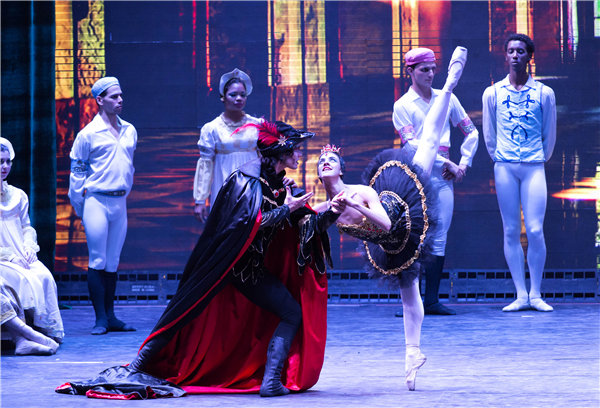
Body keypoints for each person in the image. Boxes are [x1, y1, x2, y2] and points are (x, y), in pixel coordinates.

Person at [57, 120, 342, 399]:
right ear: (280, 152)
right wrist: (285, 209)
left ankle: (269, 381)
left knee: (197, 309)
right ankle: (138, 367)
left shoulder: (277, 182)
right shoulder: (246, 181)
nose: (299, 154)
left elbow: (304, 224)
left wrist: (329, 210)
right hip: (230, 265)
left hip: (249, 267)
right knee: (188, 307)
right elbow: (246, 225)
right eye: (295, 149)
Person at [314, 46, 468, 391]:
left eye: (331, 160)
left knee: (429, 142)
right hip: (391, 244)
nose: (325, 162)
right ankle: (413, 354)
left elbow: (383, 223)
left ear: (341, 169)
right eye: (321, 161)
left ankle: (450, 83)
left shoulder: (355, 191)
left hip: (401, 206)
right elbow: (309, 224)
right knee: (409, 298)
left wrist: (355, 206)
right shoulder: (328, 207)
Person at [392, 47, 479, 316]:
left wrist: (463, 163)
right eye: (424, 70)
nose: (430, 74)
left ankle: (431, 300)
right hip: (415, 177)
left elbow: (471, 131)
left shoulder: (447, 98)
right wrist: (447, 163)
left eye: (432, 69)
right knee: (411, 236)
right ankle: (411, 301)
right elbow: (412, 144)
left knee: (439, 236)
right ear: (410, 71)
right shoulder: (403, 105)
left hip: (442, 179)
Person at [482, 33, 556, 313]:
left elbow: (549, 133)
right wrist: (501, 157)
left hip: (534, 166)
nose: (515, 55)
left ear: (529, 56)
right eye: (511, 51)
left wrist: (538, 157)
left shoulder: (544, 93)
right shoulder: (493, 93)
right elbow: (489, 133)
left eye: (521, 51)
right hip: (505, 166)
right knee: (511, 229)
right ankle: (521, 294)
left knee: (535, 229)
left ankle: (536, 293)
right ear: (505, 55)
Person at [68, 76, 137, 334]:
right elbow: (77, 173)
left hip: (119, 201)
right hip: (96, 200)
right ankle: (100, 319)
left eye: (121, 95)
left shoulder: (129, 130)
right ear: (100, 100)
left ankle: (111, 316)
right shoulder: (87, 135)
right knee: (97, 258)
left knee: (113, 260)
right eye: (114, 96)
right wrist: (80, 205)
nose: (120, 100)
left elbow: (128, 166)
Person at [0, 137, 64, 349]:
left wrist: (29, 247)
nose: (5, 166)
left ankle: (44, 330)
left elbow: (26, 226)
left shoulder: (18, 195)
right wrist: (9, 256)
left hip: (20, 253)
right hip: (4, 257)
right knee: (20, 279)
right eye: (0, 162)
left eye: (8, 161)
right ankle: (23, 337)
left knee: (43, 275)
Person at [193, 68, 262, 222]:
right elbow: (205, 165)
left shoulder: (257, 125)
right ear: (223, 97)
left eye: (242, 95)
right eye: (233, 94)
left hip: (252, 187)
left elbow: (266, 160)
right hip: (223, 186)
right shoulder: (212, 128)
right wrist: (200, 200)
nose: (238, 98)